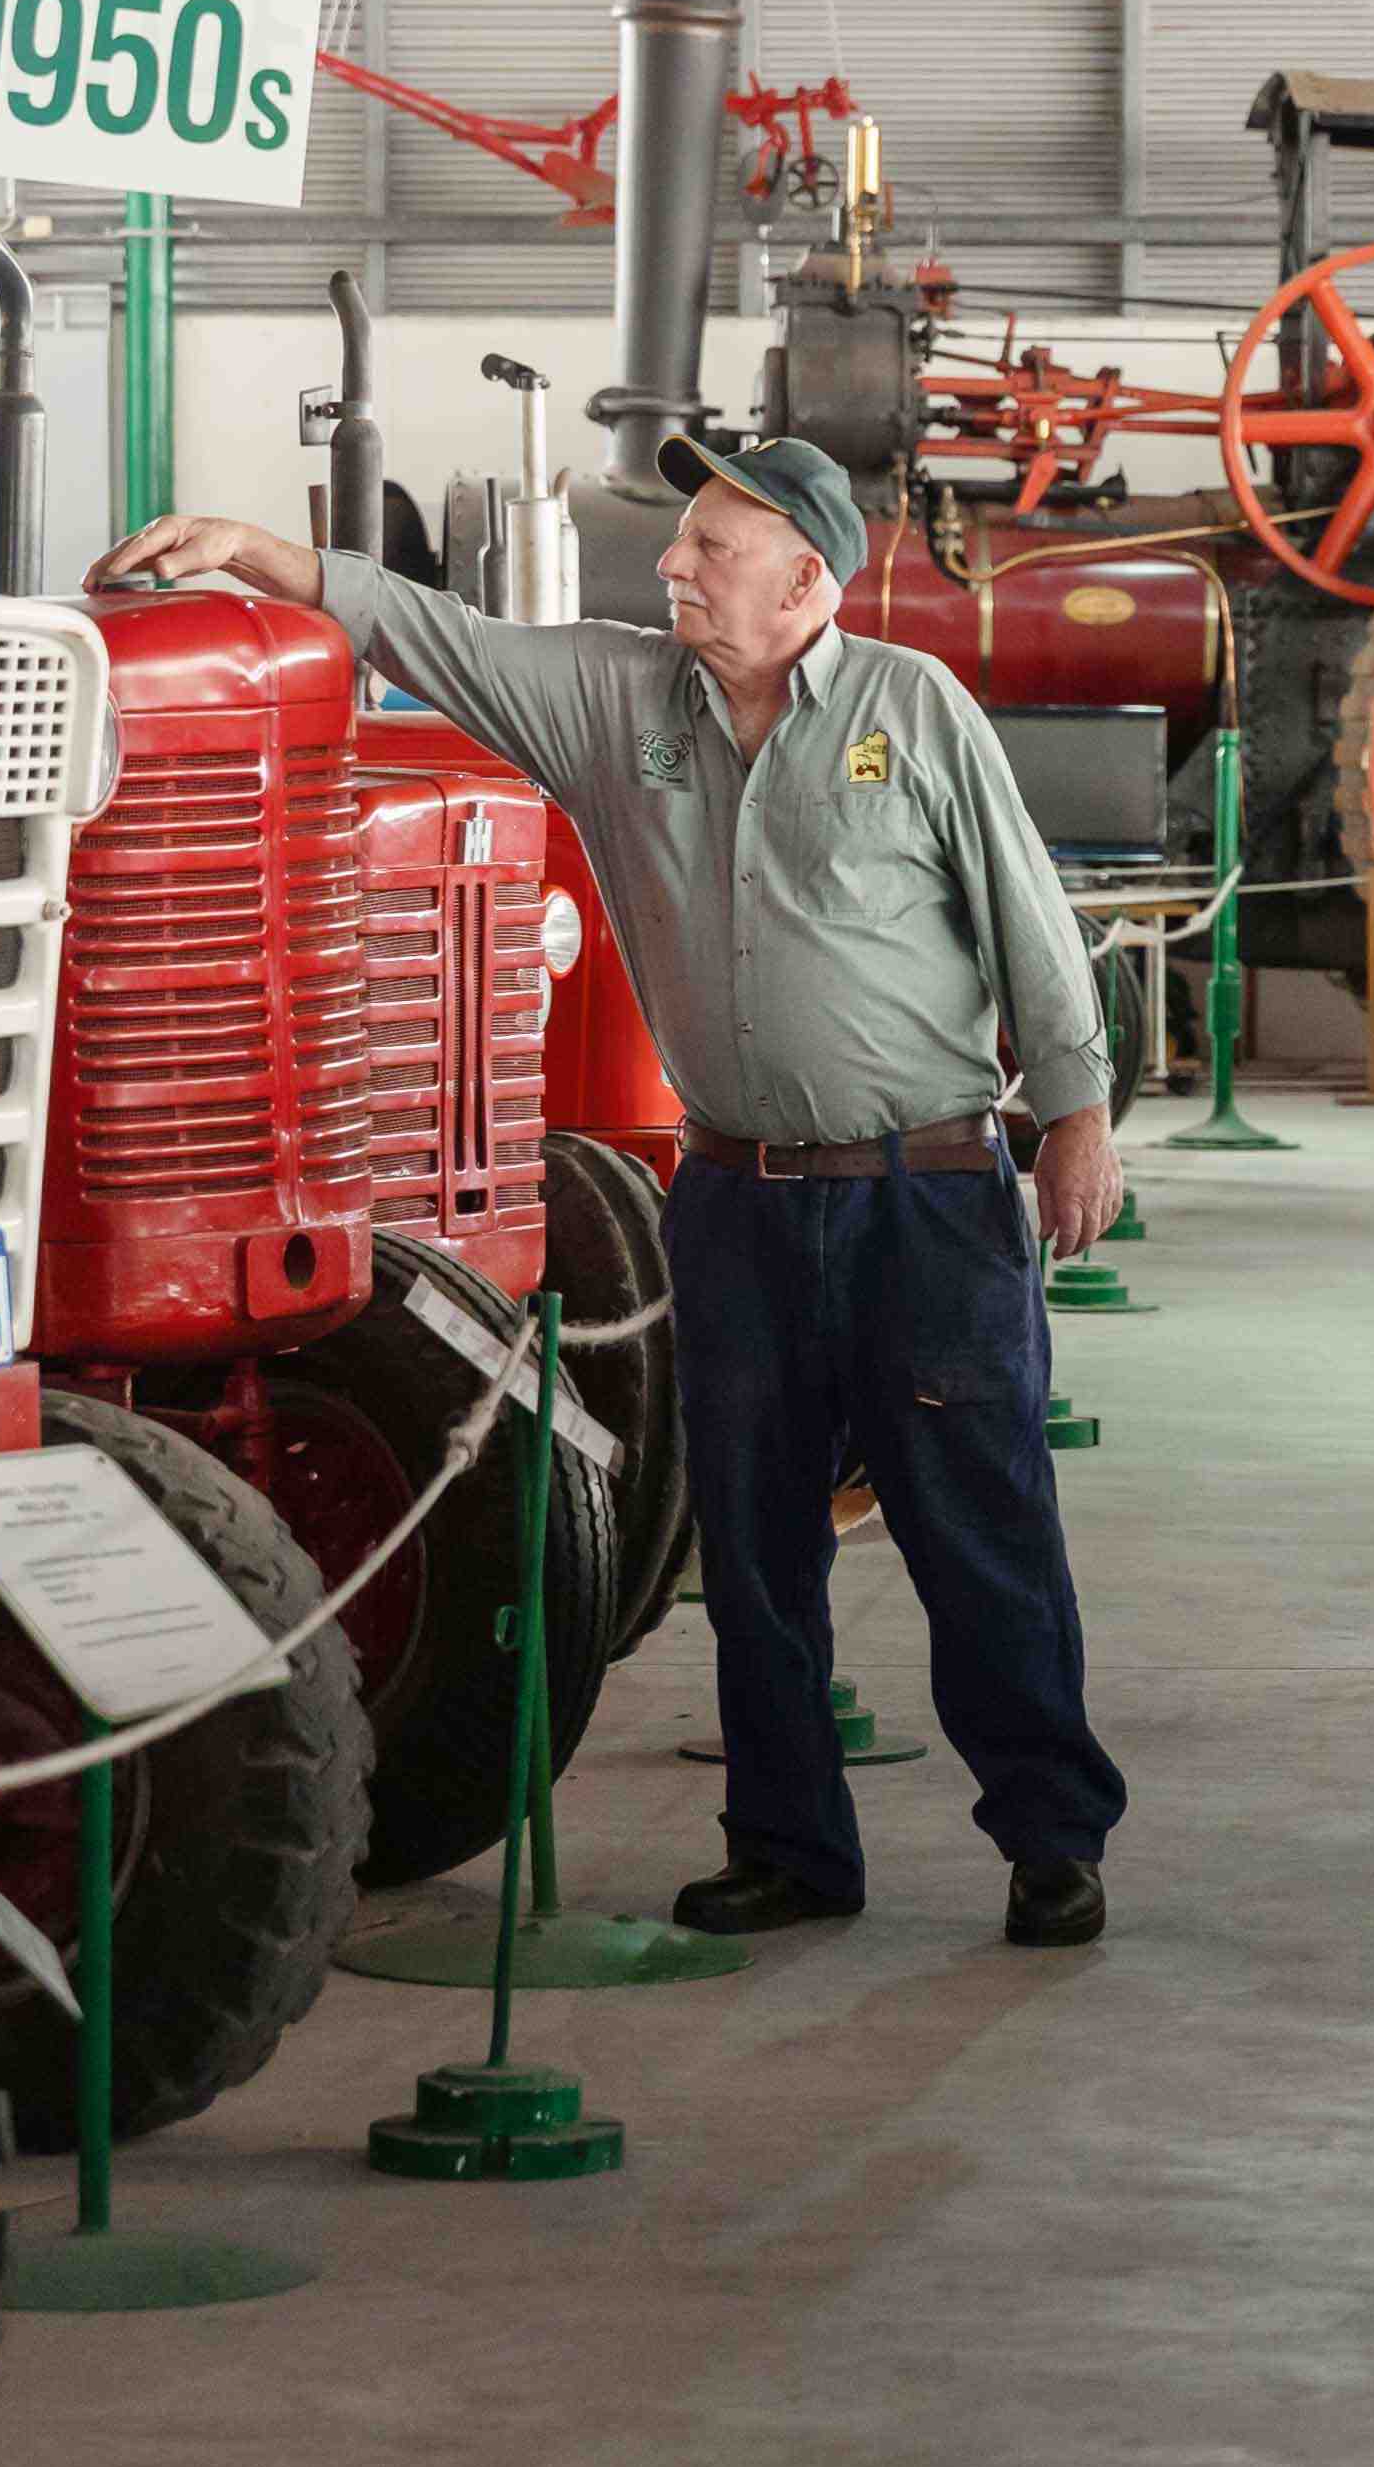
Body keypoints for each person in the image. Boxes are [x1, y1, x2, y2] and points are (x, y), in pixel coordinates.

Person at [93, 434, 1130, 1950]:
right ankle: (789, 1849)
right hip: (734, 1204)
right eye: (683, 542)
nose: (676, 567)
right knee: (754, 1543)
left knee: (980, 1532)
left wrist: (1080, 1113)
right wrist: (254, 552)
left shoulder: (914, 711)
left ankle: (1051, 1838)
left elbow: (1028, 917)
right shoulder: (618, 701)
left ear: (806, 581)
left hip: (927, 1196)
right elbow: (428, 632)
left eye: (713, 548)